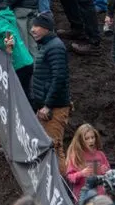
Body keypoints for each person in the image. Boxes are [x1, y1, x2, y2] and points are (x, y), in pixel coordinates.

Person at [30, 12, 71, 175]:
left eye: (36, 26)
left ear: (46, 28)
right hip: (44, 106)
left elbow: (59, 77)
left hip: (54, 108)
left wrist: (47, 105)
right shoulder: (45, 45)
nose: (32, 30)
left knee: (54, 148)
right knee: (45, 145)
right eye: (32, 26)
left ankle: (62, 188)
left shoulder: (56, 47)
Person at [66, 123, 111, 201]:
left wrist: (106, 171)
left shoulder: (100, 154)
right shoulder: (76, 156)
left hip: (101, 197)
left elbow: (109, 174)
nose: (91, 141)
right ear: (80, 140)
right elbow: (69, 177)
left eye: (92, 137)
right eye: (86, 138)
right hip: (83, 197)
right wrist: (81, 173)